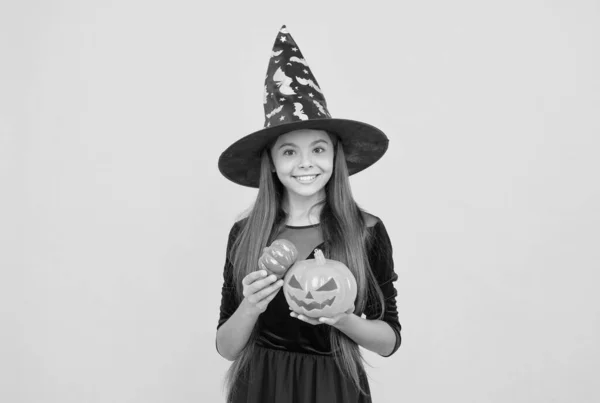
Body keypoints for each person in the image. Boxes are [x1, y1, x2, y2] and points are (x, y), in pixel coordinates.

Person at [215, 25, 401, 403]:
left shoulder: (365, 231)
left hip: (334, 385)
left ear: (335, 157)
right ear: (270, 162)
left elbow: (389, 341)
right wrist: (251, 306)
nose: (305, 164)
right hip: (261, 386)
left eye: (318, 150)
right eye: (289, 152)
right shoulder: (246, 233)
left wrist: (343, 320)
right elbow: (226, 347)